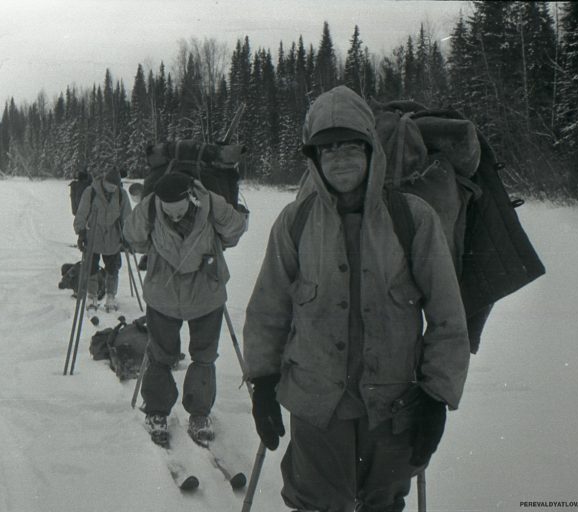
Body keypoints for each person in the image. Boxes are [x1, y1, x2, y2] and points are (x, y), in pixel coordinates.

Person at [242, 85, 470, 512]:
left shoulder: (413, 218)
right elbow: (268, 310)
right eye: (328, 151)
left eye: (351, 147)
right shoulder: (295, 222)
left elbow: (447, 317)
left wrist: (437, 397)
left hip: (393, 408)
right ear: (315, 160)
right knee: (315, 504)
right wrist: (263, 383)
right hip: (316, 407)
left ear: (371, 151)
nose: (341, 159)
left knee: (383, 505)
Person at [123, 171, 248, 447]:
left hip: (205, 295)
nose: (176, 217)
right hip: (164, 296)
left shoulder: (210, 205)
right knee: (160, 354)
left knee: (204, 356)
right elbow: (134, 236)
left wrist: (217, 210)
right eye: (170, 212)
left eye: (180, 212)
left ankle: (199, 414)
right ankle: (157, 411)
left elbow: (235, 230)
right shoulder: (152, 207)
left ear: (191, 197)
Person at [74, 168, 132, 312]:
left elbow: (127, 216)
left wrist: (128, 236)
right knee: (91, 267)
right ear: (104, 181)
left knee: (113, 268)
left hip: (113, 236)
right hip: (94, 235)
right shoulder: (91, 192)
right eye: (110, 185)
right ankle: (92, 295)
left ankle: (111, 296)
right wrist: (81, 233)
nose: (112, 188)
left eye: (115, 186)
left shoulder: (121, 195)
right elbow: (81, 213)